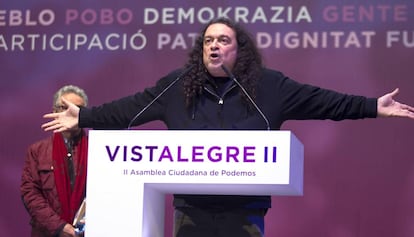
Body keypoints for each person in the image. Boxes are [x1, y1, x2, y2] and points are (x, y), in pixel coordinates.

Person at [41, 18, 414, 237]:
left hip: (244, 215)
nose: (214, 46)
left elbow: (323, 101)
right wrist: (83, 117)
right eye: (208, 41)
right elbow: (129, 110)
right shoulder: (178, 85)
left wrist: (371, 107)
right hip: (190, 213)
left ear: (240, 49)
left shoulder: (268, 86)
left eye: (223, 40)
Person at [21, 85, 89, 237]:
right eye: (63, 107)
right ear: (54, 112)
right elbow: (30, 193)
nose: (69, 113)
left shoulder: (98, 150)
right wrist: (59, 227)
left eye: (77, 109)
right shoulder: (37, 151)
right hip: (48, 233)